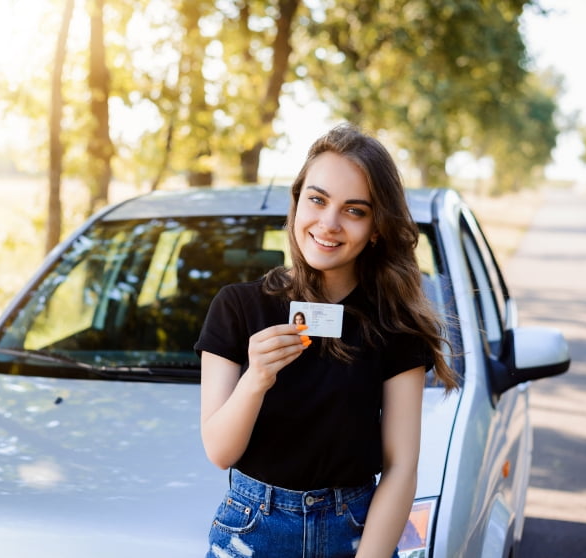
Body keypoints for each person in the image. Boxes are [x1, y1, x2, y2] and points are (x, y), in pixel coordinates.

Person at [195, 123, 459, 558]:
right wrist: (256, 378)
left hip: (355, 530)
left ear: (376, 228)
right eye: (317, 200)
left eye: (354, 210)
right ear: (297, 203)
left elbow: (401, 467)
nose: (329, 223)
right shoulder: (237, 307)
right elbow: (221, 452)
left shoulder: (394, 324)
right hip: (252, 529)